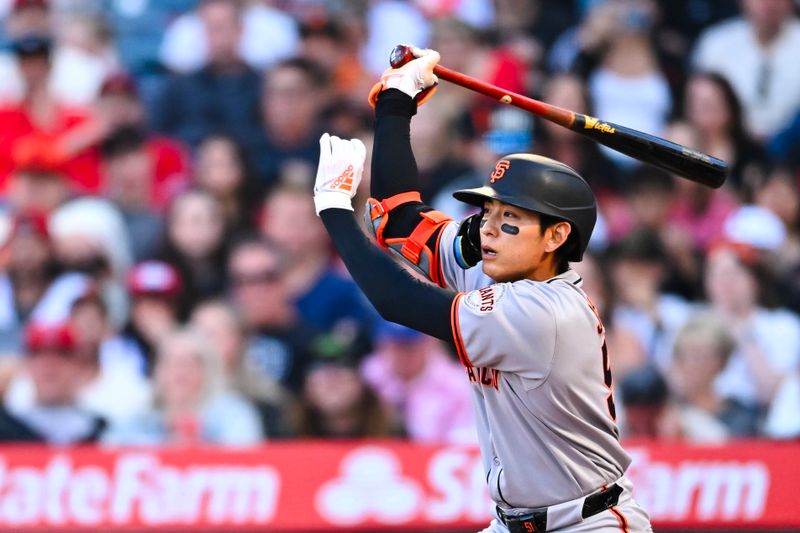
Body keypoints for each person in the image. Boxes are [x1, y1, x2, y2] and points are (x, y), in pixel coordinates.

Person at [313, 47, 651, 532]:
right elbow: (398, 219)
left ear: (556, 236)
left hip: (586, 523)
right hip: (513, 521)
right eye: (488, 214)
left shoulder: (546, 309)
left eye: (509, 220)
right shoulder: (495, 268)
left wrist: (334, 212)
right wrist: (395, 102)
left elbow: (398, 302)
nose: (487, 230)